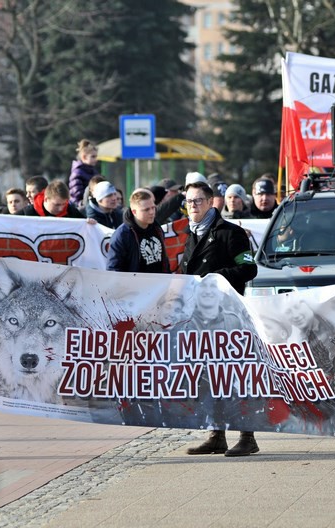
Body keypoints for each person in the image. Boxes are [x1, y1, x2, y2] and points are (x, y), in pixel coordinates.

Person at [180, 180, 259, 457]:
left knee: (234, 376)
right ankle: (216, 435)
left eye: (198, 201)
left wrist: (216, 279)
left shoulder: (230, 233)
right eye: (189, 201)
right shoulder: (191, 234)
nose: (192, 206)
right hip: (201, 319)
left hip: (228, 317)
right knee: (209, 377)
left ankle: (247, 436)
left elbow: (249, 269)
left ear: (211, 202)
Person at [106, 188, 169, 273]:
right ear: (134, 212)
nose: (151, 212)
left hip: (160, 284)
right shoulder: (122, 234)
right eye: (146, 209)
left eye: (153, 208)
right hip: (133, 285)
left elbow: (164, 260)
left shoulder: (157, 228)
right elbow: (113, 269)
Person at [20, 179, 85, 219]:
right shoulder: (28, 213)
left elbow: (86, 224)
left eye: (64, 204)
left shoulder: (71, 211)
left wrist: (89, 223)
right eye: (57, 205)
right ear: (46, 199)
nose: (61, 208)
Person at [69, 139, 100, 207]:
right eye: (93, 156)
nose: (96, 159)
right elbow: (77, 193)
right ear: (84, 157)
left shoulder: (93, 172)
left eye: (96, 156)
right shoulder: (77, 172)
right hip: (79, 205)